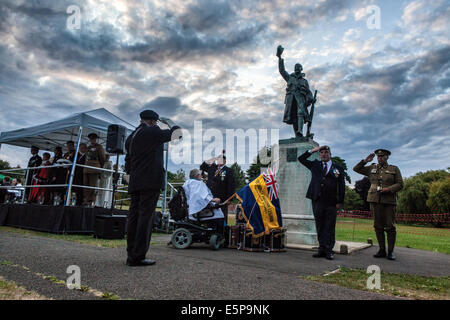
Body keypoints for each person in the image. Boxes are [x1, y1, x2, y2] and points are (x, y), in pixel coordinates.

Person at [124, 110, 182, 267]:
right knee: (145, 218)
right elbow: (177, 134)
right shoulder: (152, 131)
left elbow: (128, 163)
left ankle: (131, 254)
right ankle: (138, 256)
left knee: (134, 217)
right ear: (153, 121)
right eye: (156, 122)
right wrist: (169, 121)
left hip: (136, 181)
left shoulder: (131, 136)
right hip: (150, 181)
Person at [353, 149, 404, 260]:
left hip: (389, 201)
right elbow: (356, 169)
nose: (380, 158)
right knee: (378, 226)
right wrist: (365, 161)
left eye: (382, 156)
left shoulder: (394, 169)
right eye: (378, 156)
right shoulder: (371, 168)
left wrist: (389, 189)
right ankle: (381, 250)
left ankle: (390, 252)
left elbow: (400, 184)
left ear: (387, 157)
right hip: (375, 200)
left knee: (390, 227)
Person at [298, 145, 345, 260]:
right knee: (319, 225)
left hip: (331, 202)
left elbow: (342, 186)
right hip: (317, 200)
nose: (324, 154)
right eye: (322, 152)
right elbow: (301, 159)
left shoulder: (338, 168)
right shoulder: (315, 165)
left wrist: (340, 201)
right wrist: (311, 151)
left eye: (326, 152)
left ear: (330, 154)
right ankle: (321, 249)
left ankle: (329, 250)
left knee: (329, 226)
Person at [277, 46, 316, 138]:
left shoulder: (304, 81)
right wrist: (279, 58)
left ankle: (300, 131)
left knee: (300, 113)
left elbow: (308, 92)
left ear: (301, 69)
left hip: (301, 100)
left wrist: (311, 99)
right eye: (295, 67)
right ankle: (298, 135)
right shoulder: (290, 78)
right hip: (291, 100)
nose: (296, 68)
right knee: (294, 117)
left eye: (298, 67)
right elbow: (282, 71)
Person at [183, 169, 225, 235]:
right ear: (197, 176)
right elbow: (199, 195)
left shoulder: (187, 183)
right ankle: (219, 234)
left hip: (190, 208)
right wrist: (213, 200)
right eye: (200, 175)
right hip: (197, 210)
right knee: (219, 213)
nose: (201, 176)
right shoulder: (198, 183)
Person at [200, 154, 235, 224]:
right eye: (218, 159)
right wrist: (212, 159)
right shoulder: (212, 168)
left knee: (230, 218)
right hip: (211, 197)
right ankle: (213, 232)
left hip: (223, 198)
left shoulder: (228, 170)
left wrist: (230, 199)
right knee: (212, 217)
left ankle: (229, 232)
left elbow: (231, 185)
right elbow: (202, 166)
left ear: (225, 161)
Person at [83, 133, 106, 206]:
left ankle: (90, 201)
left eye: (93, 138)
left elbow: (102, 158)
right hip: (87, 168)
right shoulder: (88, 147)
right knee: (85, 185)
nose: (92, 140)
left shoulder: (99, 147)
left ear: (96, 139)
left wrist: (100, 168)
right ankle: (86, 200)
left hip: (94, 168)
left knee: (92, 186)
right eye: (90, 138)